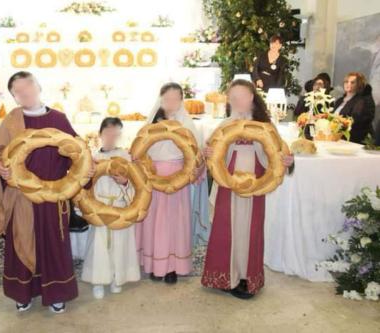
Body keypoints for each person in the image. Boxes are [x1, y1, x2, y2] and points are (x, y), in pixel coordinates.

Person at [0, 71, 95, 314]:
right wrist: (2, 171)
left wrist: (85, 173)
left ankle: (56, 293)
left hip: (54, 197)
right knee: (20, 245)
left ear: (39, 87)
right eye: (19, 91)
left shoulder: (59, 119)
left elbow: (76, 152)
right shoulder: (11, 121)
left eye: (29, 87)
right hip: (21, 196)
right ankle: (23, 293)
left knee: (54, 245)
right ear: (14, 97)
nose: (26, 93)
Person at [201, 80, 294, 299]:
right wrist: (207, 153)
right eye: (232, 98)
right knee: (226, 229)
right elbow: (212, 154)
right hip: (227, 184)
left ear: (251, 96)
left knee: (248, 231)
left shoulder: (266, 127)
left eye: (240, 96)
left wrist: (288, 161)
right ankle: (223, 276)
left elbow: (280, 156)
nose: (236, 101)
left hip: (255, 185)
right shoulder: (224, 126)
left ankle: (244, 278)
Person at [135, 82, 205, 284]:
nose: (172, 103)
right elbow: (140, 150)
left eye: (176, 98)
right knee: (154, 221)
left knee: (174, 223)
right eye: (168, 99)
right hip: (153, 177)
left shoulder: (187, 123)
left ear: (181, 100)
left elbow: (196, 154)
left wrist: (198, 162)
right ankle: (154, 265)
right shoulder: (151, 123)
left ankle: (173, 267)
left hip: (177, 180)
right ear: (161, 99)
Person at [81, 117, 140, 299]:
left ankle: (117, 278)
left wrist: (124, 182)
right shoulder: (92, 157)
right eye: (108, 133)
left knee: (120, 245)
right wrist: (89, 176)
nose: (112, 137)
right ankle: (98, 280)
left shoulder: (125, 157)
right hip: (100, 206)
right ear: (100, 134)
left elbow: (135, 185)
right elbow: (83, 185)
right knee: (98, 246)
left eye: (116, 133)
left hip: (120, 207)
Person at [334, 72, 375, 143]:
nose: (348, 84)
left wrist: (341, 122)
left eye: (352, 82)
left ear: (359, 85)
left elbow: (357, 120)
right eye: (346, 82)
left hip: (354, 140)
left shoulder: (363, 101)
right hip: (337, 137)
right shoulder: (339, 100)